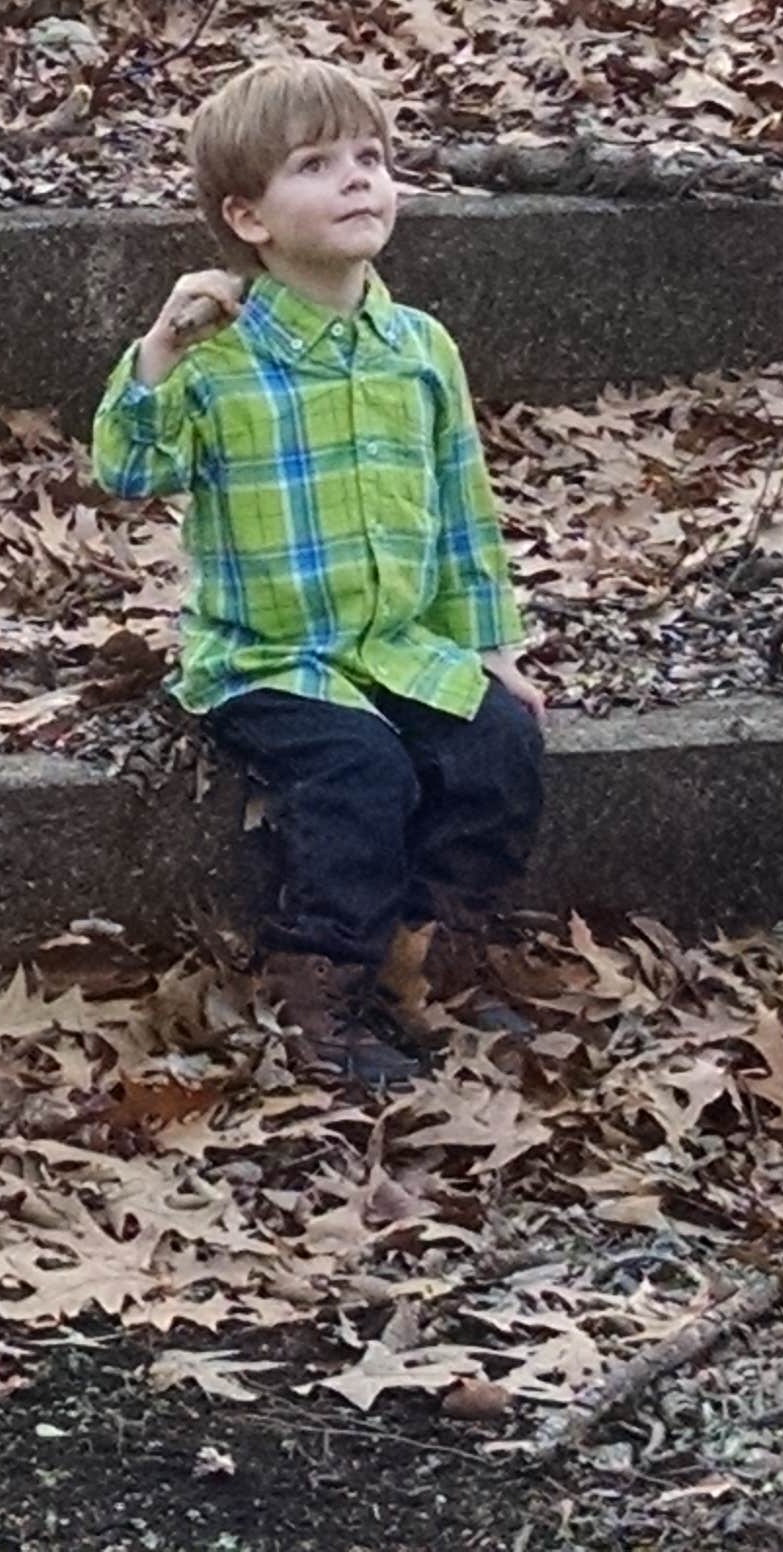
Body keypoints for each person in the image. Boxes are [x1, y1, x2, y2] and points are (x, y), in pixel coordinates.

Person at [90, 56, 545, 1095]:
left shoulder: (419, 348)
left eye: (373, 157)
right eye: (318, 163)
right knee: (360, 771)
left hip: (396, 641)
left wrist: (489, 646)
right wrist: (158, 349)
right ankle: (322, 982)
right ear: (248, 217)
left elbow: (464, 509)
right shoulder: (217, 355)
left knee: (500, 743)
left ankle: (422, 950)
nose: (359, 180)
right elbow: (128, 468)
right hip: (269, 655)